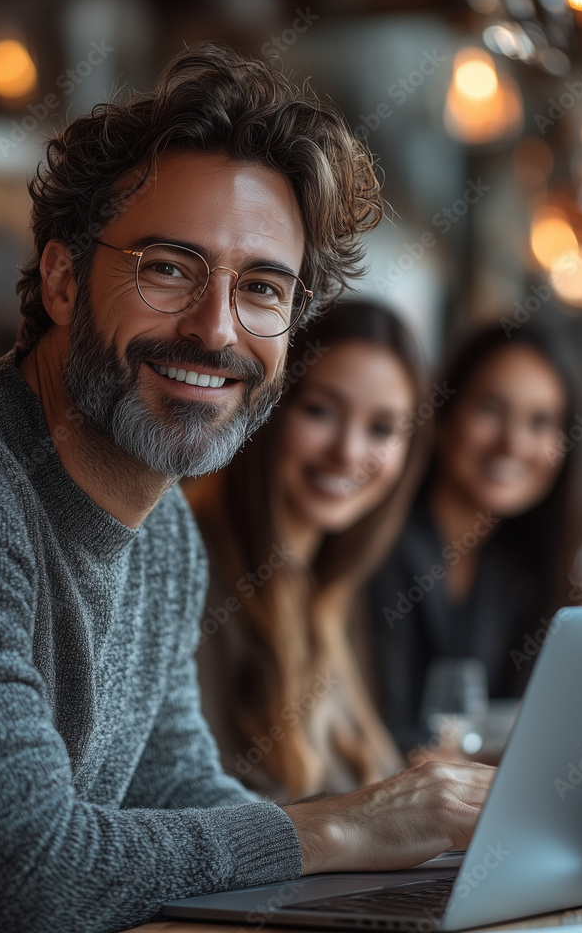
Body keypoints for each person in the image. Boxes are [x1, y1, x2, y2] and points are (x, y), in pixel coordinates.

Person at [0, 42, 493, 933]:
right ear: (62, 279)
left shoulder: (164, 526)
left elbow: (174, 792)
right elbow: (32, 876)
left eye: (261, 289)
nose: (215, 330)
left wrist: (422, 853)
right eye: (169, 268)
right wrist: (347, 826)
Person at [195, 300, 431, 800]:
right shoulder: (196, 572)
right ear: (270, 408)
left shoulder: (333, 589)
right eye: (321, 411)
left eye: (382, 428)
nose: (347, 451)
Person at [366, 324, 582, 755]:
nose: (513, 443)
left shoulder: (522, 566)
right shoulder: (375, 546)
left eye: (540, 422)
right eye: (490, 409)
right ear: (444, 417)